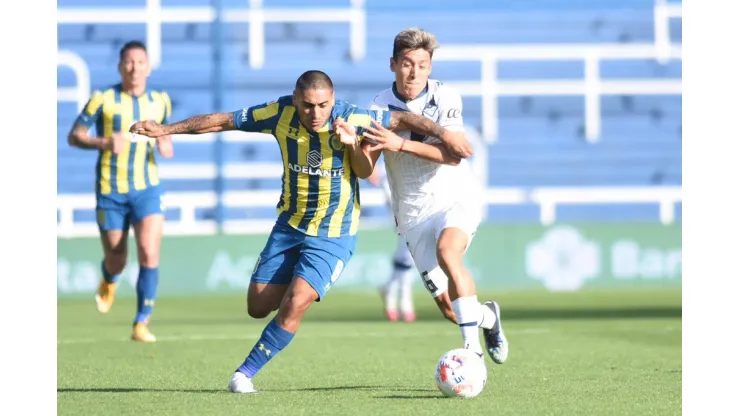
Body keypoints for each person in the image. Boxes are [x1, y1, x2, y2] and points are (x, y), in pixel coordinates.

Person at [130, 70, 468, 393]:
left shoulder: (354, 119)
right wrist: (165, 129)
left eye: (322, 105)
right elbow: (222, 120)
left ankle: (244, 374)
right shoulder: (279, 112)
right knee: (258, 305)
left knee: (296, 302)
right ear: (296, 98)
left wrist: (441, 133)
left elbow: (383, 147)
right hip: (290, 227)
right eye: (307, 105)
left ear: (332, 99)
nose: (315, 113)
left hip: (333, 234)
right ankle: (286, 305)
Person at [361, 28, 509, 364]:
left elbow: (454, 154)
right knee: (450, 309)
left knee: (448, 253)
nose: (414, 72)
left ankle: (471, 352)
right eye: (407, 64)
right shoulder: (377, 107)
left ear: (430, 67)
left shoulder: (445, 97)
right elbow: (367, 160)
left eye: (422, 65)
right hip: (413, 212)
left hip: (453, 197)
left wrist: (399, 143)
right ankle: (489, 318)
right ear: (393, 64)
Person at [67, 40, 174, 343]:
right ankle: (109, 278)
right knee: (117, 257)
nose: (134, 68)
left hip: (147, 188)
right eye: (128, 62)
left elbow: (165, 132)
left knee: (149, 253)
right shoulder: (103, 99)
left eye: (140, 62)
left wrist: (166, 140)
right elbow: (74, 136)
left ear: (148, 68)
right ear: (119, 67)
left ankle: (141, 322)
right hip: (110, 189)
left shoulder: (161, 101)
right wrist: (103, 142)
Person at [367, 161, 417, 322]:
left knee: (409, 245)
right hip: (395, 177)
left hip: (414, 181)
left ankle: (391, 290)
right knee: (409, 239)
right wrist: (371, 163)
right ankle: (404, 301)